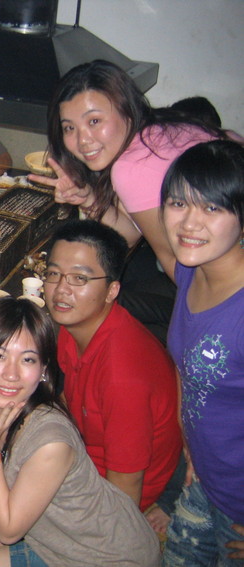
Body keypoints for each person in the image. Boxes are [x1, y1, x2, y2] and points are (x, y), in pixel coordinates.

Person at [0, 296, 160, 566]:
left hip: (111, 558)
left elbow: (9, 531)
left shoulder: (51, 442)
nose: (11, 374)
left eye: (28, 359)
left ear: (43, 369)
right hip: (54, 545)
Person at [31, 60, 221, 342]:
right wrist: (88, 198)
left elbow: (177, 264)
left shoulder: (133, 165)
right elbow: (129, 233)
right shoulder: (156, 133)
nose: (82, 140)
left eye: (94, 121)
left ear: (126, 110)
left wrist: (199, 338)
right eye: (69, 128)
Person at [42, 220, 181, 525]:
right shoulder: (76, 327)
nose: (61, 290)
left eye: (80, 278)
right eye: (53, 274)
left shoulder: (123, 377)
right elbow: (71, 397)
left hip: (109, 494)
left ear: (111, 290)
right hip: (83, 457)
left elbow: (125, 491)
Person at [159, 140, 244, 566]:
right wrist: (189, 441)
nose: (189, 223)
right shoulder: (191, 270)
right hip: (205, 477)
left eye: (212, 207)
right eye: (178, 203)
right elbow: (186, 362)